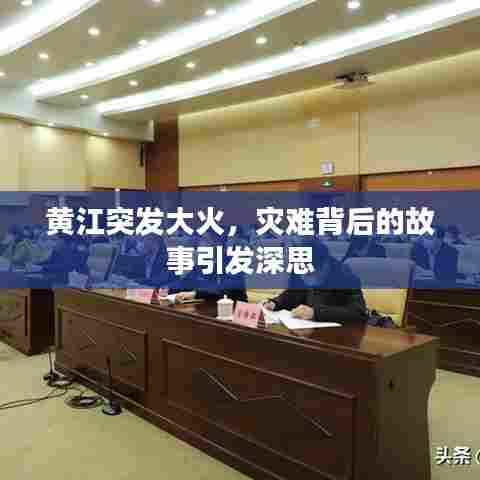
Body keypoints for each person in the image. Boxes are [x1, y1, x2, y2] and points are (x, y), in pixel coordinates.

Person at [264, 241, 368, 325]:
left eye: (309, 274)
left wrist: (315, 313)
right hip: (304, 329)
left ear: (325, 264)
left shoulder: (345, 277)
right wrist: (275, 303)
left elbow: (358, 312)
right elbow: (292, 294)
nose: (304, 278)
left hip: (338, 335)